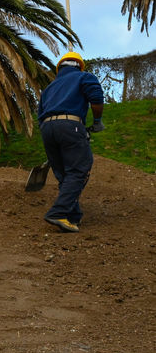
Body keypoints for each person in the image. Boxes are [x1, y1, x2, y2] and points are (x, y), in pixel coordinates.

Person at [36, 51, 105, 233]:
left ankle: (72, 216)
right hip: (70, 125)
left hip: (46, 129)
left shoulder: (49, 88)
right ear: (79, 65)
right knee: (80, 168)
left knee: (64, 175)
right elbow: (96, 98)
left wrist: (53, 133)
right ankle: (58, 212)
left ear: (60, 68)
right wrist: (96, 122)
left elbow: (40, 113)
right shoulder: (84, 77)